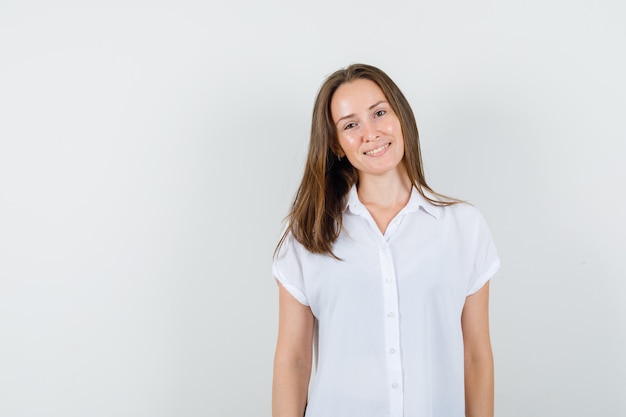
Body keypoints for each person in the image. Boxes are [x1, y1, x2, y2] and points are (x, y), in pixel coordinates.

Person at [272, 63, 500, 417]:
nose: (371, 133)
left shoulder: (464, 228)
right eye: (351, 125)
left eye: (379, 113)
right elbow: (294, 361)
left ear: (401, 116)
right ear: (336, 144)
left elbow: (476, 355)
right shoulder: (309, 235)